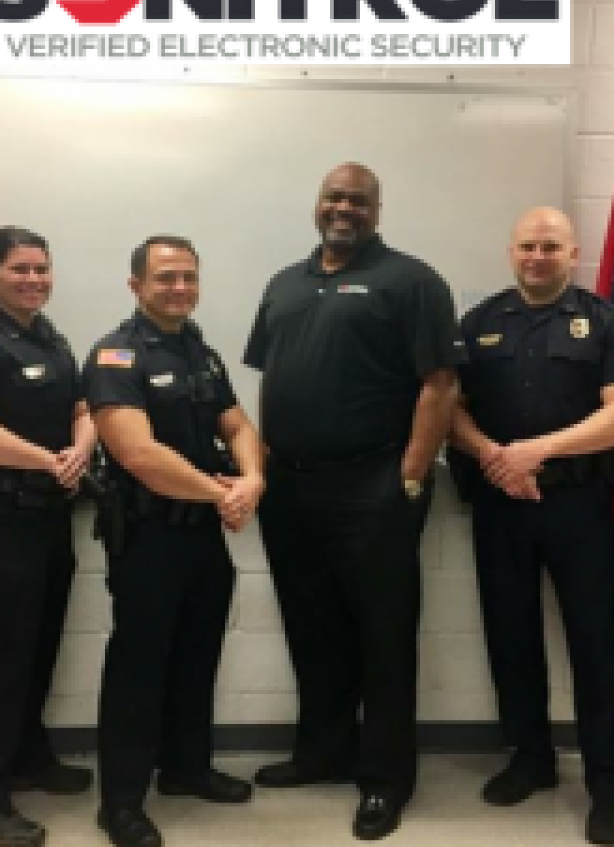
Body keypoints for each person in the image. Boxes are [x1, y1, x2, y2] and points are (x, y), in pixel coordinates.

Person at [244, 162, 463, 840]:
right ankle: (321, 752)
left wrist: (411, 475)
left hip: (375, 486)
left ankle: (386, 778)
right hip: (293, 487)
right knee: (313, 629)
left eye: (357, 200)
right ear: (318, 204)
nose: (344, 208)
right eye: (334, 197)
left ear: (376, 209)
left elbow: (441, 383)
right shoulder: (284, 282)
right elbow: (272, 376)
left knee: (384, 637)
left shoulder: (412, 280)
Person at [448, 207, 614, 845]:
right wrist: (496, 459)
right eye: (527, 245)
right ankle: (530, 759)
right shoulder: (479, 324)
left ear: (573, 252)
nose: (537, 255)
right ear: (511, 250)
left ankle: (611, 785)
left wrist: (539, 452)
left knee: (593, 643)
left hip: (577, 504)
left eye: (550, 246)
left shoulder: (609, 324)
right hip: (501, 502)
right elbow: (452, 411)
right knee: (510, 636)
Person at [83, 236, 266, 847]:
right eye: (166, 278)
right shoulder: (115, 356)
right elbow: (138, 453)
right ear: (136, 285)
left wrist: (253, 478)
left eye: (189, 277)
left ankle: (186, 770)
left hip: (202, 538)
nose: (179, 288)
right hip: (147, 535)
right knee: (139, 667)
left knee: (197, 654)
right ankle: (122, 802)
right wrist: (224, 495)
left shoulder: (201, 353)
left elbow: (236, 425)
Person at [0, 226, 96, 847]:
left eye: (42, 268)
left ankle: (28, 758)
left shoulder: (48, 337)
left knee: (38, 648)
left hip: (46, 515)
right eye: (20, 270)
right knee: (2, 658)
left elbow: (83, 408)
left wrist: (79, 451)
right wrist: (49, 461)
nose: (34, 280)